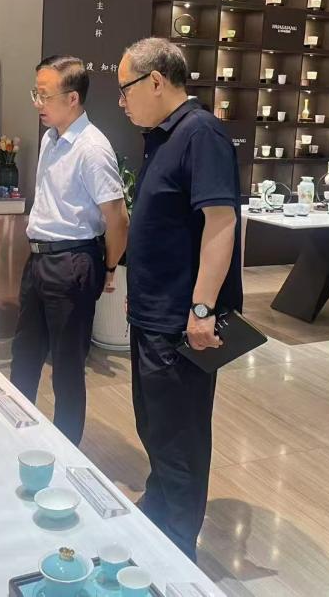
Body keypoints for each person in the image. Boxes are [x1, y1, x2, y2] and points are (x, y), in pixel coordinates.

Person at [116, 37, 242, 561]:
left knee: (181, 438)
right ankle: (157, 515)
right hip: (152, 317)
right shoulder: (163, 136)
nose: (121, 102)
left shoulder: (201, 133)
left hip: (180, 323)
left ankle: (177, 550)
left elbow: (221, 222)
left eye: (125, 90)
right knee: (154, 425)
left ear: (155, 81)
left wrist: (202, 309)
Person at [10, 55, 129, 444]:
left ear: (73, 98)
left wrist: (109, 268)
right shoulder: (51, 138)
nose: (38, 103)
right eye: (36, 93)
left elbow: (117, 218)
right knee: (25, 355)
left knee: (66, 367)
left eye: (44, 95)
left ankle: (65, 453)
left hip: (73, 261)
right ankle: (16, 436)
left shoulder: (92, 149)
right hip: (40, 257)